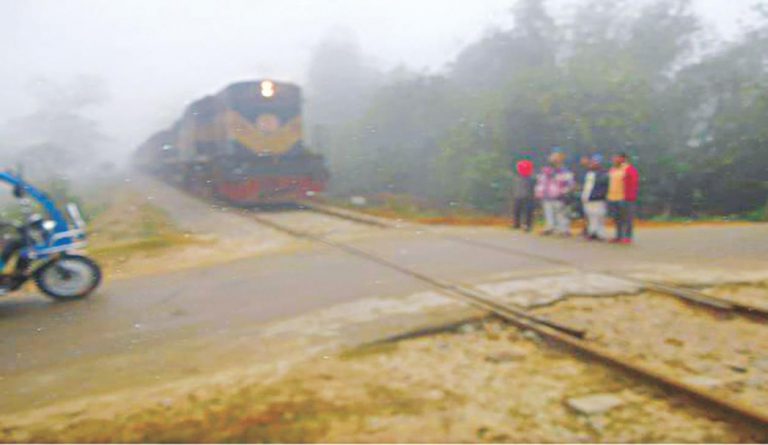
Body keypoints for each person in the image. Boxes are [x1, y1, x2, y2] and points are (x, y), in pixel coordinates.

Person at [535, 151, 575, 236]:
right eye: (552, 157)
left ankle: (564, 230)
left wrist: (564, 192)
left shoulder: (565, 171)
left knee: (561, 214)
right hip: (547, 196)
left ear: (561, 159)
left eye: (555, 157)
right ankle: (549, 228)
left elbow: (570, 184)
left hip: (559, 196)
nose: (553, 159)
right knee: (548, 213)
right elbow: (541, 182)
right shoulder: (546, 170)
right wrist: (539, 192)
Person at [607, 152, 639, 244]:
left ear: (623, 159)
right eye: (614, 158)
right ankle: (618, 236)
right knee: (617, 218)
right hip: (613, 197)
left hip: (625, 197)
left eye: (617, 158)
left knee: (627, 218)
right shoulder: (612, 169)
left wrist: (630, 196)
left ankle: (627, 237)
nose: (614, 160)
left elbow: (633, 184)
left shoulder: (629, 169)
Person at [581, 154, 609, 240]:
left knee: (600, 217)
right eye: (592, 161)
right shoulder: (588, 173)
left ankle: (600, 234)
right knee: (591, 216)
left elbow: (604, 186)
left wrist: (601, 195)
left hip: (599, 199)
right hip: (588, 199)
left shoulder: (604, 173)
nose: (593, 163)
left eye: (595, 162)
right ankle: (592, 232)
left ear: (599, 163)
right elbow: (586, 186)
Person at [511, 159, 535, 231]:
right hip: (518, 196)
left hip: (528, 197)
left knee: (528, 212)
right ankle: (516, 224)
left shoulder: (532, 178)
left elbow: (533, 189)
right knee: (516, 211)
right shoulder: (516, 178)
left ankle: (527, 225)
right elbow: (514, 188)